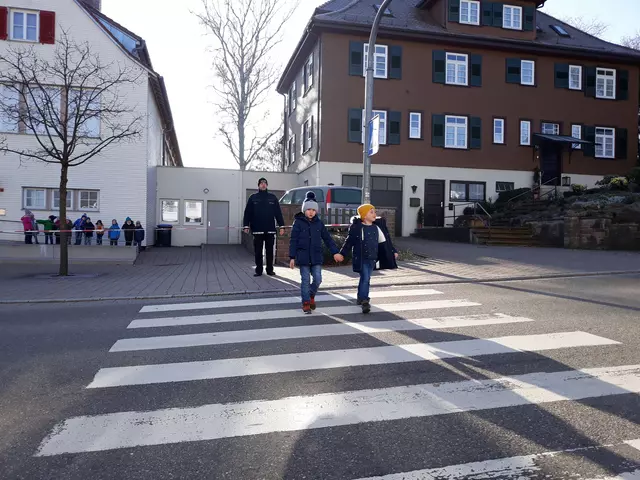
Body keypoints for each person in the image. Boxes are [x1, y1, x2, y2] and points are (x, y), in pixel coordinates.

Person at [338, 204, 398, 314]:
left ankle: (361, 297)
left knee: (366, 278)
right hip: (361, 258)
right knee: (365, 277)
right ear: (364, 216)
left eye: (374, 212)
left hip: (372, 258)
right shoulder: (357, 228)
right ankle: (365, 300)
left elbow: (385, 242)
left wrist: (393, 251)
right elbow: (349, 242)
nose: (375, 214)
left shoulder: (377, 228)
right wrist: (342, 254)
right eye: (371, 212)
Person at [289, 192, 342, 313]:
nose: (311, 212)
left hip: (316, 256)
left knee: (318, 279)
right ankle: (306, 302)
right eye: (308, 209)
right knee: (305, 280)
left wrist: (335, 252)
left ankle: (311, 294)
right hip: (303, 257)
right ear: (304, 210)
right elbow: (293, 240)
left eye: (313, 209)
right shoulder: (298, 223)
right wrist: (292, 257)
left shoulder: (319, 223)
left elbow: (328, 239)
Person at [242, 177, 285, 277]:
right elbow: (247, 213)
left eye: (265, 183)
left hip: (270, 229)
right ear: (258, 185)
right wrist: (246, 226)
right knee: (258, 252)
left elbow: (278, 213)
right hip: (257, 230)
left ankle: (270, 270)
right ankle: (259, 270)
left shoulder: (272, 198)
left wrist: (281, 226)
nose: (263, 184)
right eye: (261, 183)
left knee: (269, 252)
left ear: (267, 185)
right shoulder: (253, 198)